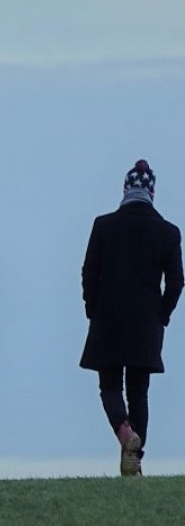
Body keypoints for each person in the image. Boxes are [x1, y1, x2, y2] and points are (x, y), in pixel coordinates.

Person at [80, 159, 183, 476]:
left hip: (108, 317)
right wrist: (161, 315)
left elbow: (89, 273)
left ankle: (126, 435)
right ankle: (134, 465)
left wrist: (92, 308)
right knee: (138, 391)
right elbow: (177, 281)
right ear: (152, 192)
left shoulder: (103, 225)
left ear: (125, 189)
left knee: (109, 385)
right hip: (146, 322)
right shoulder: (168, 232)